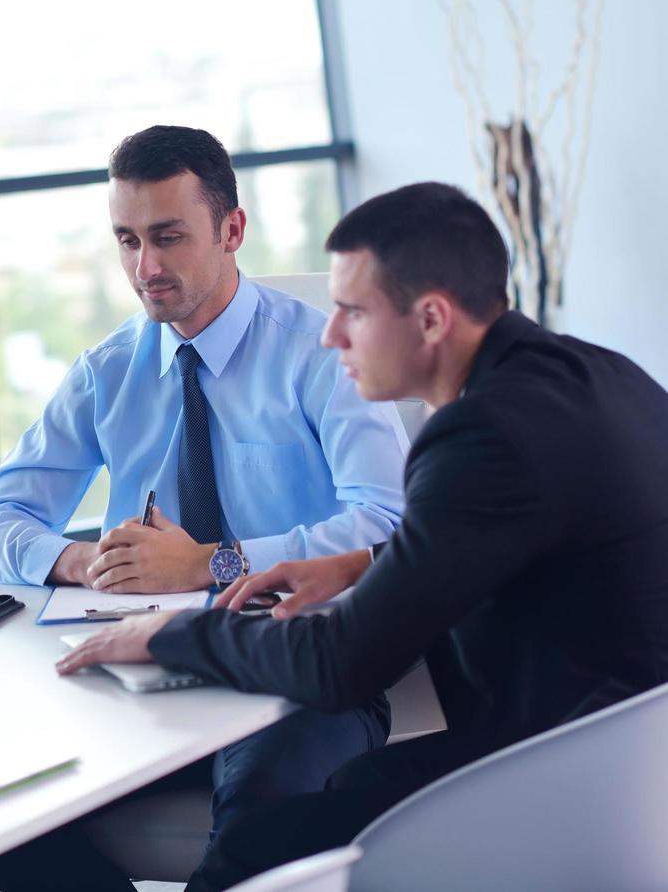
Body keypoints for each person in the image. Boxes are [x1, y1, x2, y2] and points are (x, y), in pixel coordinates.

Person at [58, 182, 668, 889]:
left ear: (431, 318)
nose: (329, 334)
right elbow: (517, 536)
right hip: (636, 764)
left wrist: (163, 636)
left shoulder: (480, 435)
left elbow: (340, 664)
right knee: (341, 785)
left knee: (266, 842)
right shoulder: (599, 374)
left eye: (351, 311)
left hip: (562, 778)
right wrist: (360, 563)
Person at [0, 126, 410, 888]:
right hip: (146, 669)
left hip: (297, 668)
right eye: (127, 240)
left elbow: (389, 524)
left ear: (231, 230)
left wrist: (212, 562)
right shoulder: (109, 371)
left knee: (259, 814)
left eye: (168, 237)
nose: (146, 267)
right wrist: (81, 560)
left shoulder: (319, 354)